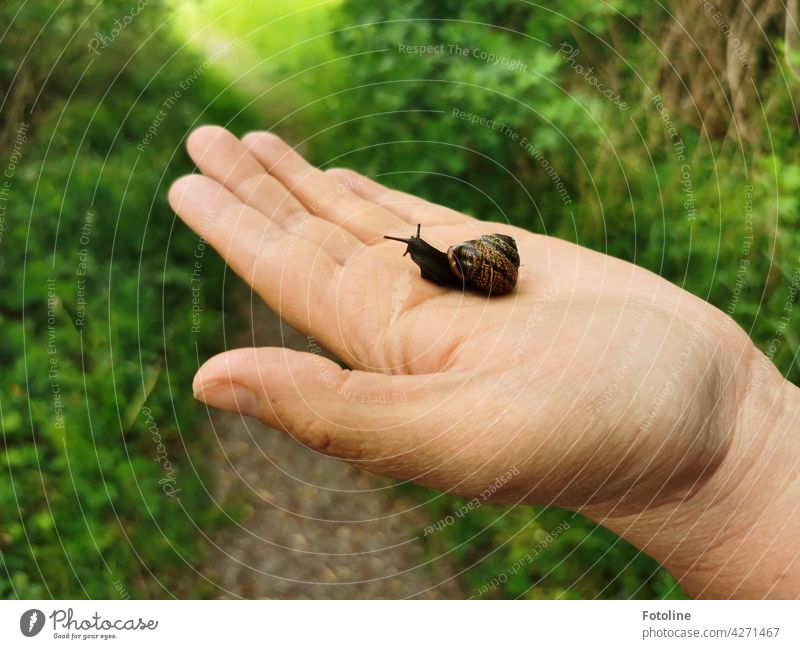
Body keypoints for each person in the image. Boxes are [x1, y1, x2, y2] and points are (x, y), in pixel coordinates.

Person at [169, 125, 800, 599]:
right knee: (422, 252)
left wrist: (733, 459)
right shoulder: (463, 262)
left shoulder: (480, 267)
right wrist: (744, 467)